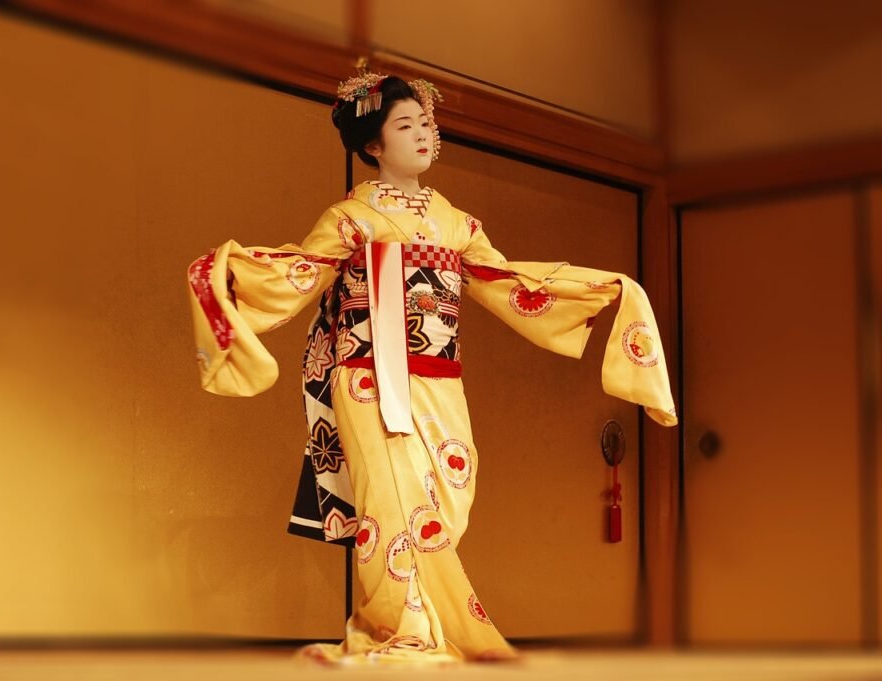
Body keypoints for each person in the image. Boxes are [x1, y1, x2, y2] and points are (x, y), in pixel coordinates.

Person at [187, 70, 676, 666]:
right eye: (405, 125)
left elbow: (508, 282)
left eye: (427, 123)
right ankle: (407, 630)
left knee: (448, 496)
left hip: (439, 376)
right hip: (368, 376)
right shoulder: (351, 218)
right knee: (392, 502)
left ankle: (400, 620)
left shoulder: (458, 224)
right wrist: (228, 275)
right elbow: (299, 270)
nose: (423, 133)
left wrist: (604, 290)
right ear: (373, 144)